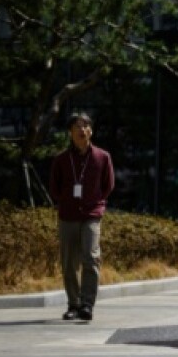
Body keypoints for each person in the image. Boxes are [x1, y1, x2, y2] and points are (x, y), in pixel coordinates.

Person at [47, 112, 115, 322]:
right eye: (77, 126)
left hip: (91, 215)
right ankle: (73, 304)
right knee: (68, 263)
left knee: (91, 257)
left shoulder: (102, 157)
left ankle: (87, 304)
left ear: (91, 131)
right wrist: (67, 202)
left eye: (86, 126)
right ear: (70, 132)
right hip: (67, 216)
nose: (82, 130)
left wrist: (95, 202)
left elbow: (108, 185)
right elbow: (54, 188)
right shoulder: (61, 159)